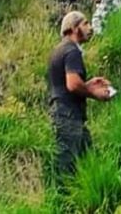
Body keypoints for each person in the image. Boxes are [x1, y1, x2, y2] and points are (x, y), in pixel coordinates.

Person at [47, 11, 115, 175]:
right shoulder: (72, 51)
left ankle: (92, 191)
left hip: (63, 112)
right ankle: (64, 197)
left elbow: (66, 83)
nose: (90, 28)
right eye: (85, 24)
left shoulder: (60, 49)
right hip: (68, 114)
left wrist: (89, 84)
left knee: (88, 158)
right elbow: (72, 85)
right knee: (67, 163)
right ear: (73, 28)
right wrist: (94, 93)